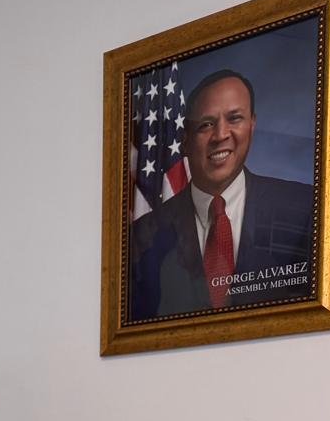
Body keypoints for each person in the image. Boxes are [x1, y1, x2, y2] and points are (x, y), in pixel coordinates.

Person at [130, 69, 316, 319]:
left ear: (252, 125)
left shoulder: (305, 208)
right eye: (206, 124)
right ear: (185, 139)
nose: (220, 135)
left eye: (235, 118)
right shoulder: (142, 236)